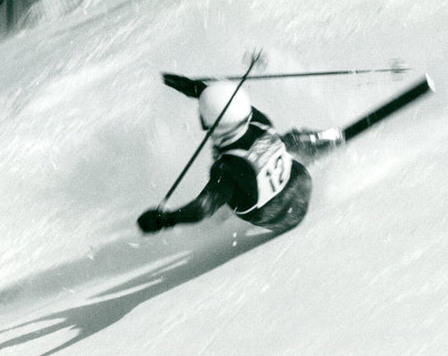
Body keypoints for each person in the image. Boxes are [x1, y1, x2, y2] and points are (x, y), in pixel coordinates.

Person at [137, 74, 344, 236]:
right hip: (302, 186)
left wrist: (165, 220)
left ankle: (223, 210)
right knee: (285, 140)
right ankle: (329, 139)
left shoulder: (226, 168)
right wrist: (198, 90)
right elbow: (228, 108)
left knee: (225, 190)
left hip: (279, 218)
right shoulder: (259, 121)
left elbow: (201, 209)